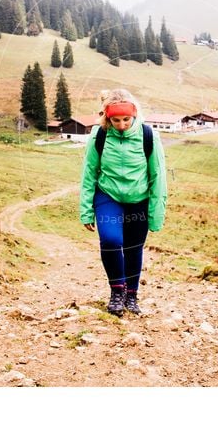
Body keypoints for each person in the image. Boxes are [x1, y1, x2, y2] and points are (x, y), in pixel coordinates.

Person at [79, 89, 167, 316]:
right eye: (115, 120)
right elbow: (89, 172)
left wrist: (156, 215)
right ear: (106, 117)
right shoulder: (99, 135)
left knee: (133, 248)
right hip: (108, 195)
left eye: (126, 119)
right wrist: (86, 210)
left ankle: (132, 296)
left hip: (139, 199)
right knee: (110, 239)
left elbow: (158, 176)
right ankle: (117, 291)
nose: (121, 125)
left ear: (134, 114)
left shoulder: (149, 136)